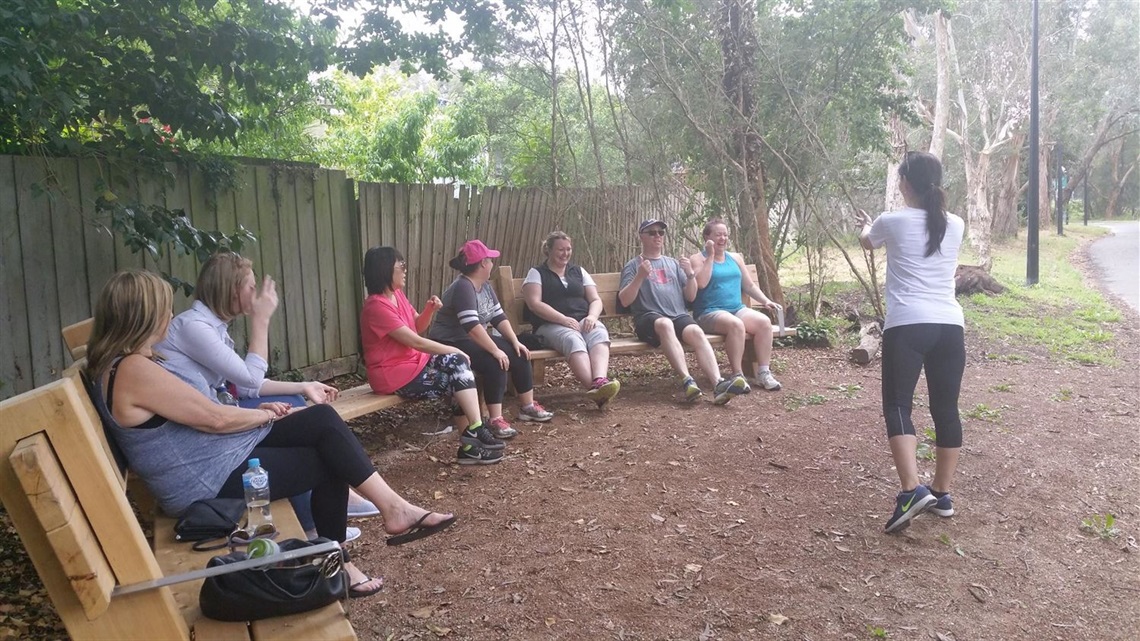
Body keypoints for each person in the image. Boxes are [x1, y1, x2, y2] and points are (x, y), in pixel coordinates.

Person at [85, 270, 457, 598]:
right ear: (145, 316)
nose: (169, 314)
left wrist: (260, 414)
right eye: (163, 308)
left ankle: (391, 512)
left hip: (215, 457)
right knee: (328, 459)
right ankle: (343, 556)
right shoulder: (133, 369)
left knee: (322, 420)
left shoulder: (123, 363)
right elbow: (212, 419)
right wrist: (262, 418)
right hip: (206, 482)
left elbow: (206, 414)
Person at [154, 252, 378, 541]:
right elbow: (249, 378)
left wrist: (302, 386)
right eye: (250, 285)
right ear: (231, 289)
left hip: (215, 438)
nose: (256, 293)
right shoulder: (193, 327)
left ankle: (329, 523)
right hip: (209, 455)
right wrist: (261, 321)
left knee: (305, 411)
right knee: (317, 432)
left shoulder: (211, 328)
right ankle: (326, 526)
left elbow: (244, 387)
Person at [854, 150, 965, 533]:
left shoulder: (892, 220)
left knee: (898, 405)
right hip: (950, 325)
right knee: (946, 408)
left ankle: (910, 490)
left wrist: (864, 226)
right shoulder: (956, 223)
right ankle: (942, 493)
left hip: (908, 324)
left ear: (904, 183)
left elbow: (868, 241)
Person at [360, 246, 504, 465]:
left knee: (460, 373)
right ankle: (472, 439)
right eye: (401, 266)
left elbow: (417, 327)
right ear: (384, 271)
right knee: (460, 377)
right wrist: (454, 349)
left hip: (413, 363)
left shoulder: (397, 295)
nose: (405, 270)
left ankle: (472, 439)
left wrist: (429, 310)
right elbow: (415, 341)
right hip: (392, 374)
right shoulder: (375, 307)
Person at [428, 240, 554, 436]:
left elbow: (498, 317)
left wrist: (514, 341)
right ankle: (495, 419)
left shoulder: (484, 286)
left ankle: (527, 407)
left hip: (469, 338)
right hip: (450, 341)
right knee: (494, 361)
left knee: (517, 353)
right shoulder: (463, 287)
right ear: (482, 264)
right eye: (490, 260)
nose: (492, 263)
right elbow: (471, 327)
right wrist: (495, 350)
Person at [618, 219, 741, 405]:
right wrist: (640, 276)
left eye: (661, 232)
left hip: (677, 315)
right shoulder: (634, 265)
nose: (657, 236)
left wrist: (690, 274)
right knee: (664, 323)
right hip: (648, 318)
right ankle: (688, 381)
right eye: (652, 232)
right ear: (641, 237)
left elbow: (690, 297)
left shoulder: (673, 264)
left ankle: (718, 383)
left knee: (696, 331)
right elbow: (625, 299)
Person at [522, 231, 621, 408]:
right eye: (560, 249)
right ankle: (596, 390)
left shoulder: (579, 271)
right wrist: (563, 319)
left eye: (568, 249)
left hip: (582, 320)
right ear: (549, 250)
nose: (565, 253)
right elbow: (534, 304)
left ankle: (599, 381)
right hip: (550, 325)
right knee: (571, 338)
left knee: (598, 331)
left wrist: (591, 316)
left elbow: (596, 299)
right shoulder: (536, 273)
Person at [689, 218, 783, 392]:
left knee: (764, 323)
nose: (722, 238)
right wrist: (710, 256)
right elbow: (700, 283)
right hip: (708, 312)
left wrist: (765, 301)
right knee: (736, 325)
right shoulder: (697, 259)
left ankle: (763, 372)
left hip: (736, 309)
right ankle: (737, 375)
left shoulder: (735, 258)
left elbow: (749, 285)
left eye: (725, 235)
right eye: (718, 235)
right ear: (707, 237)